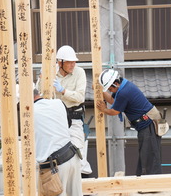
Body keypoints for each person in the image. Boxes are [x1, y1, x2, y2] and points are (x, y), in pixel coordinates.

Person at [96, 69, 162, 176]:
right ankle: (144, 182)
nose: (110, 90)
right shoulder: (123, 85)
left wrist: (104, 110)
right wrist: (101, 91)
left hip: (148, 125)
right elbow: (113, 101)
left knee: (149, 157)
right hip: (146, 125)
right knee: (145, 156)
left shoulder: (123, 92)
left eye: (110, 88)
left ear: (116, 83)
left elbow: (115, 111)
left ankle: (151, 187)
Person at [33, 87, 83, 196]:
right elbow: (68, 123)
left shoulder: (28, 114)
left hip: (55, 168)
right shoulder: (58, 102)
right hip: (72, 156)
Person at [52, 45, 92, 175]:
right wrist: (42, 78)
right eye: (69, 62)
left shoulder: (79, 72)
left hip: (74, 118)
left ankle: (83, 184)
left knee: (78, 152)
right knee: (57, 154)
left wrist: (63, 91)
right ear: (60, 62)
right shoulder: (51, 74)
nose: (72, 64)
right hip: (57, 120)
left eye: (74, 61)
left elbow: (79, 97)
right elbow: (41, 93)